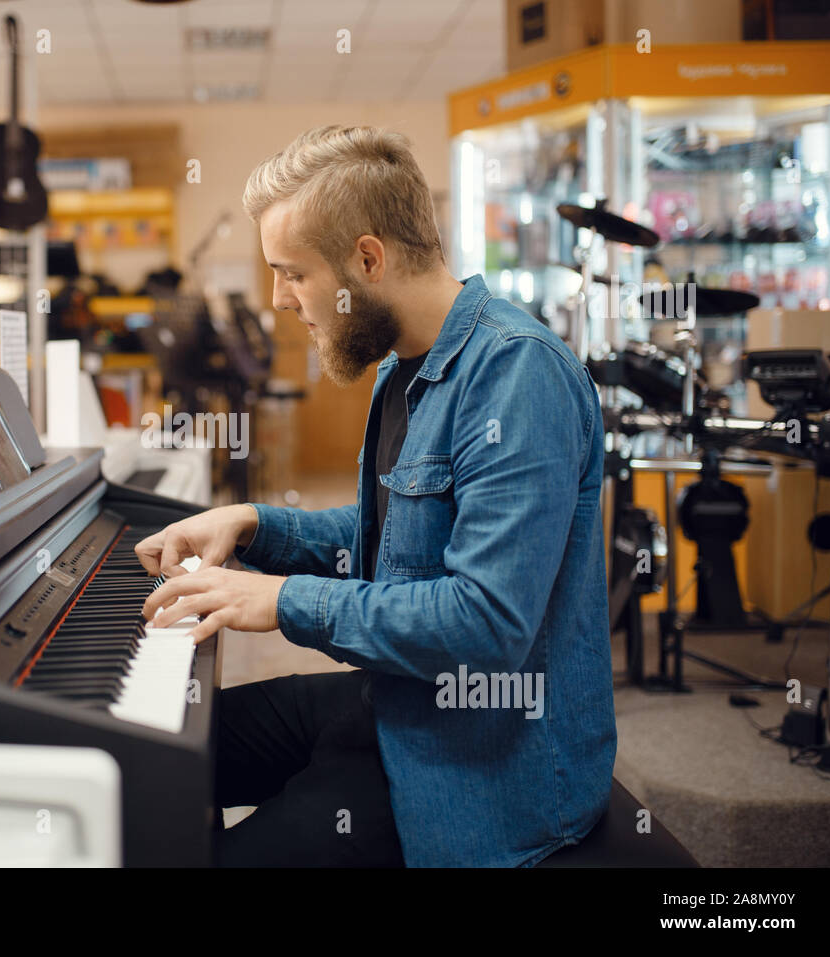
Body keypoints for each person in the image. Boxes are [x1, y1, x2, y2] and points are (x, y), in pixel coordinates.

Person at [134, 125, 616, 867]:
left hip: (487, 761)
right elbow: (392, 541)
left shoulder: (519, 375)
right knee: (153, 753)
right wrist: (256, 524)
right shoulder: (402, 368)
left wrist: (283, 600)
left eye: (292, 273)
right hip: (399, 700)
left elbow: (485, 624)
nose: (279, 300)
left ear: (367, 259)